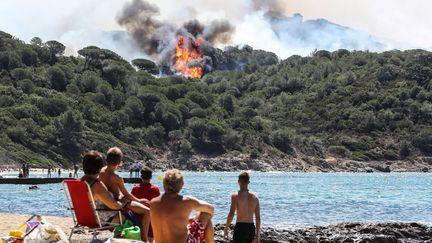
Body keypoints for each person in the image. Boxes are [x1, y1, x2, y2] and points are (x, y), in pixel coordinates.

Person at [99, 147, 150, 241]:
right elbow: (127, 195)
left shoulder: (100, 172)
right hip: (117, 205)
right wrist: (139, 200)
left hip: (103, 207)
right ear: (119, 163)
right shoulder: (117, 178)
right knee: (147, 211)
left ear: (106, 159)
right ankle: (144, 240)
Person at [150, 169, 215, 243]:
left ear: (164, 183)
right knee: (206, 214)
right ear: (181, 184)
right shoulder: (187, 201)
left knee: (197, 219)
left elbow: (168, 220)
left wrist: (186, 220)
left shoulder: (153, 202)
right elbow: (211, 209)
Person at [224, 172, 261, 243]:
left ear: (238, 182)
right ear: (248, 182)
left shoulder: (235, 196)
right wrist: (258, 235)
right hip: (251, 227)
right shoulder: (255, 197)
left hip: (240, 227)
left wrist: (226, 229)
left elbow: (231, 214)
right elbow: (258, 217)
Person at [131, 167, 161, 241]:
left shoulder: (135, 189)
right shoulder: (155, 189)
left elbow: (131, 202)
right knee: (150, 239)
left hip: (137, 218)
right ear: (151, 177)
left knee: (139, 238)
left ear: (141, 177)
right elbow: (158, 205)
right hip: (151, 218)